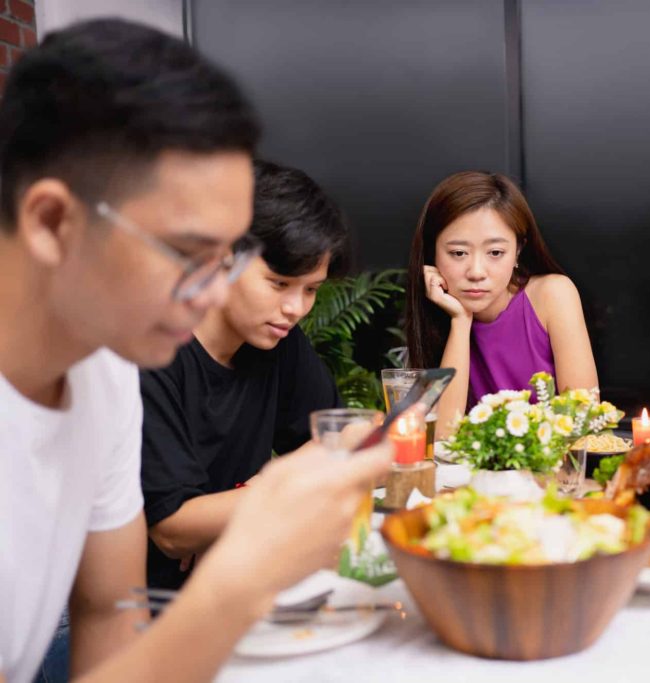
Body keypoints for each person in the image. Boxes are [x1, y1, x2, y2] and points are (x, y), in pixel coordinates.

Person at [0, 19, 391, 683]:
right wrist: (247, 565)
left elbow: (109, 616)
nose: (213, 293)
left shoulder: (106, 374)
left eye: (227, 258)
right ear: (51, 222)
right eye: (189, 255)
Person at [141, 159, 347, 591]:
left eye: (312, 290)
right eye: (278, 283)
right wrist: (221, 517)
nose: (296, 308)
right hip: (130, 604)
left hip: (226, 583)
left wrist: (232, 512)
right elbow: (174, 530)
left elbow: (339, 441)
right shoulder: (153, 350)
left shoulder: (277, 338)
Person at [405, 171, 598, 436]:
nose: (476, 271)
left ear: (518, 250)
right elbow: (441, 439)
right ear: (432, 254)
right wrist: (460, 322)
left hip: (551, 474)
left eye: (495, 252)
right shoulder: (435, 316)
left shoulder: (552, 295)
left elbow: (584, 423)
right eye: (458, 253)